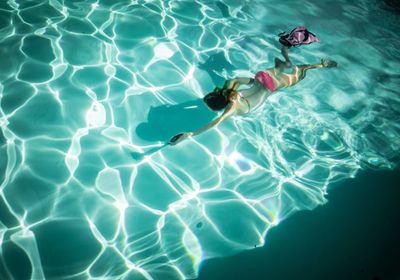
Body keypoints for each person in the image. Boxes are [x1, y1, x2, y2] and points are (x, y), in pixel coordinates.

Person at [169, 26, 337, 145]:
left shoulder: (232, 108)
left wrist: (190, 134)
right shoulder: (231, 94)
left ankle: (319, 65)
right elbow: (239, 84)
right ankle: (285, 52)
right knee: (275, 71)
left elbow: (215, 122)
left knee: (299, 73)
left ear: (221, 106)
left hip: (270, 85)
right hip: (260, 77)